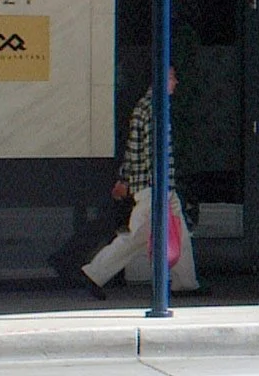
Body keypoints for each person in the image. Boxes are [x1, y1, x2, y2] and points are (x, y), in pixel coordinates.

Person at [80, 68, 199, 297]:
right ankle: (94, 273)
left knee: (177, 231)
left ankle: (186, 283)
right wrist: (148, 183)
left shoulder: (145, 107)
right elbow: (150, 151)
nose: (176, 81)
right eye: (173, 77)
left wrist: (126, 178)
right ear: (161, 80)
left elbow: (133, 149)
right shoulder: (153, 110)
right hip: (156, 186)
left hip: (156, 186)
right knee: (136, 237)